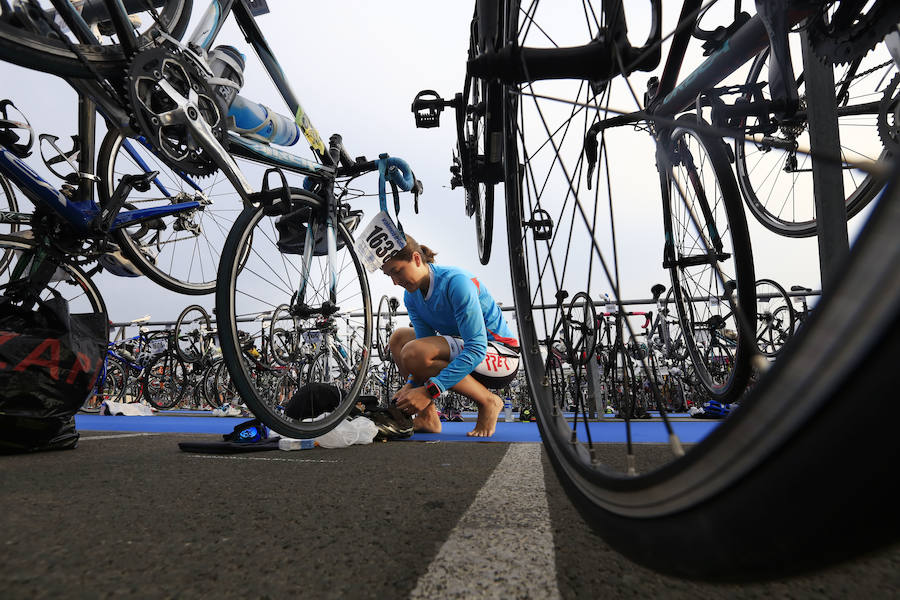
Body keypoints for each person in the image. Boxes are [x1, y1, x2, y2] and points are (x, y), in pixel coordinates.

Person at [381, 234, 519, 437]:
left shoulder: (457, 282)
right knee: (400, 339)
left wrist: (428, 391)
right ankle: (428, 417)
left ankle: (488, 401)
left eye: (397, 271)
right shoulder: (411, 296)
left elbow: (476, 348)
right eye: (389, 276)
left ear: (417, 259)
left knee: (413, 350)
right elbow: (422, 346)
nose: (395, 282)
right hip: (467, 350)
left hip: (501, 356)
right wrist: (411, 385)